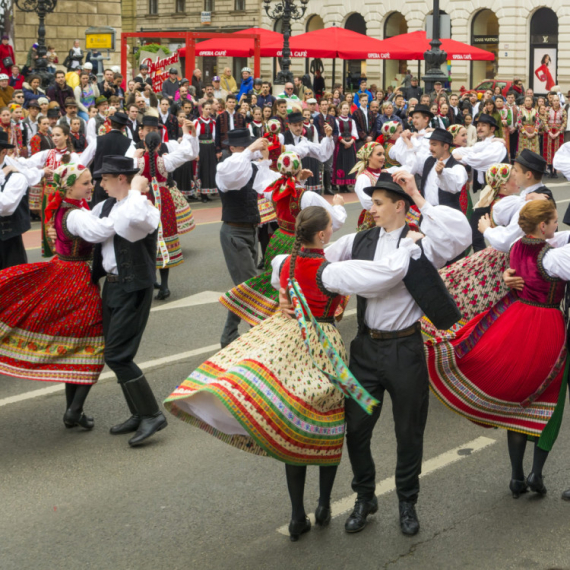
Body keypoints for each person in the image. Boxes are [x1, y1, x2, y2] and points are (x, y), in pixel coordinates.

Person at [292, 171, 469, 536]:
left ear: (398, 206)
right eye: (371, 202)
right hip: (366, 351)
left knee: (408, 432)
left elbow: (460, 236)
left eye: (377, 203)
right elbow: (316, 258)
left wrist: (418, 195)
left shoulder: (421, 241)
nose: (370, 209)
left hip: (405, 350)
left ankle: (407, 501)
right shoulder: (360, 240)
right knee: (356, 430)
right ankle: (365, 497)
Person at [428, 199, 569, 499]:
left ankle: (517, 476)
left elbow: (555, 240)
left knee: (518, 398)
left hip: (516, 320)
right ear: (542, 225)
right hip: (545, 326)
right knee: (547, 397)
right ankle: (536, 473)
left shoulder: (517, 245)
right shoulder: (554, 258)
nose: (557, 226)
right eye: (554, 220)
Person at [220, 149, 346, 333]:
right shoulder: (308, 196)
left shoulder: (275, 190)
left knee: (279, 284)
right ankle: (303, 323)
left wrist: (298, 180)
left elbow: (284, 193)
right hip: (299, 241)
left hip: (278, 239)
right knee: (306, 283)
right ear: (299, 168)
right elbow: (335, 221)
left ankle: (273, 319)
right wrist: (338, 206)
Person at [134, 124, 199, 299]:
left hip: (145, 200)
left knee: (146, 239)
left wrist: (135, 156)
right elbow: (187, 153)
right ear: (159, 145)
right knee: (163, 237)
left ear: (144, 144)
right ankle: (164, 286)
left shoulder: (137, 162)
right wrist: (187, 134)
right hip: (163, 200)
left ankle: (151, 280)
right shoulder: (165, 161)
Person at [397, 128, 468, 213]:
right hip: (427, 214)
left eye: (434, 145)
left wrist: (442, 173)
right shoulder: (428, 161)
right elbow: (411, 163)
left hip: (447, 217)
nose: (430, 148)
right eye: (430, 144)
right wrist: (408, 142)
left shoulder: (458, 167)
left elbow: (455, 185)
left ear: (445, 146)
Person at [0, 132, 40, 269]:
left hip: (9, 243)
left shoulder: (16, 177)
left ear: (3, 152)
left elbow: (5, 207)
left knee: (12, 285)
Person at [452, 114, 509, 193]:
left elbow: (481, 158)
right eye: (478, 125)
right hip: (487, 189)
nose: (479, 128)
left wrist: (462, 157)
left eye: (484, 125)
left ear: (492, 129)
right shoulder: (481, 144)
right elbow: (466, 151)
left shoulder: (497, 145)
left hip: (499, 190)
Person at [314, 97, 339, 195]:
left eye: (326, 104)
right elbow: (316, 132)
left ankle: (327, 187)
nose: (324, 106)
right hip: (320, 145)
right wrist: (324, 140)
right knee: (320, 167)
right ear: (319, 107)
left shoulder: (332, 118)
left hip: (330, 145)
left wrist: (332, 140)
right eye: (322, 105)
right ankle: (319, 187)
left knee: (328, 167)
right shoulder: (316, 118)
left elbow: (336, 131)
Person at [194, 100, 218, 202]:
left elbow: (215, 137)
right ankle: (202, 194)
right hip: (201, 147)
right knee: (203, 170)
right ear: (202, 109)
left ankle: (207, 192)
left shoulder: (213, 122)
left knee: (210, 170)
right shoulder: (197, 121)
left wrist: (216, 150)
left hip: (211, 148)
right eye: (206, 109)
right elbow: (195, 138)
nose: (208, 111)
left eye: (209, 109)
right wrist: (196, 152)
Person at [332, 101, 358, 193]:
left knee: (349, 164)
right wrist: (344, 142)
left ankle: (347, 184)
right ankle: (341, 185)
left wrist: (350, 142)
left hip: (350, 145)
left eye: (347, 108)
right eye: (344, 108)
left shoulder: (352, 121)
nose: (346, 110)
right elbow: (337, 132)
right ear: (340, 110)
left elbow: (354, 133)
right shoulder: (337, 120)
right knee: (341, 164)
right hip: (341, 146)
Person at [542, 95, 567, 178]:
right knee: (549, 151)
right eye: (554, 100)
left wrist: (558, 132)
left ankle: (555, 171)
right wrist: (549, 132)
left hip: (558, 133)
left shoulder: (563, 111)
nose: (556, 102)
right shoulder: (548, 110)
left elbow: (564, 122)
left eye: (557, 100)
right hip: (549, 133)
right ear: (552, 101)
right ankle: (550, 170)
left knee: (557, 151)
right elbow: (545, 122)